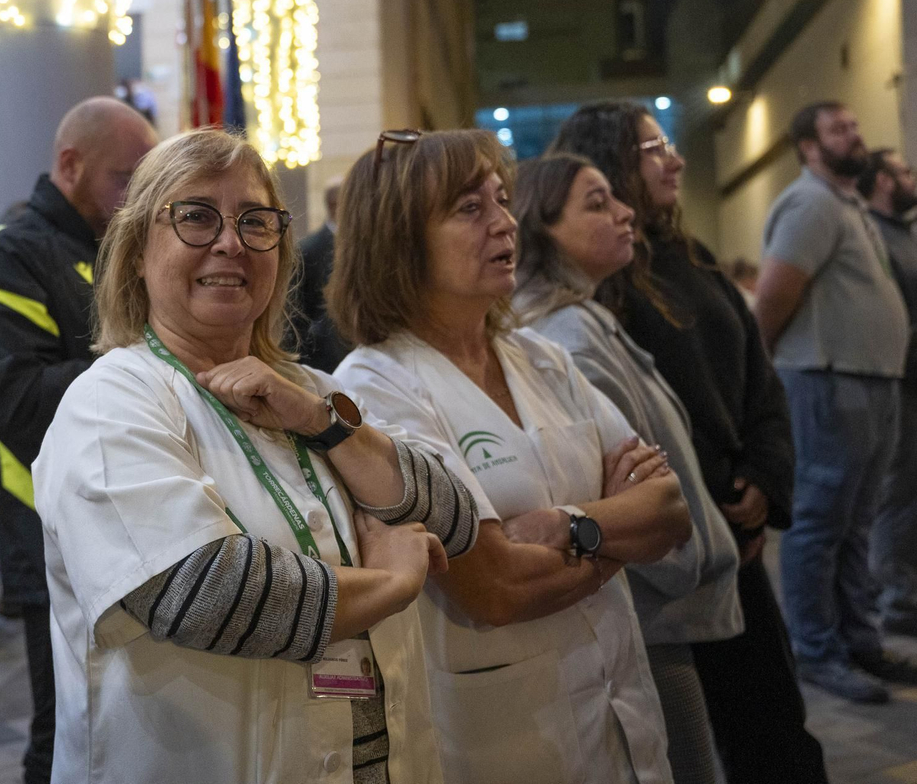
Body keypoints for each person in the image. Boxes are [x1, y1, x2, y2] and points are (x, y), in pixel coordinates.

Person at [32, 127, 480, 784]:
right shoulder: (110, 401)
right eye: (195, 217)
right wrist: (392, 582)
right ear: (134, 252)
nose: (231, 242)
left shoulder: (320, 393)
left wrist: (327, 428)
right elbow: (203, 592)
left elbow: (456, 523)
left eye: (255, 221)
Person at [330, 128, 687, 784]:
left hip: (620, 711)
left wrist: (564, 526)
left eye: (501, 200)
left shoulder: (542, 358)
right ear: (399, 238)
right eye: (471, 209)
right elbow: (494, 587)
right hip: (506, 737)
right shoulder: (373, 386)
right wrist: (612, 531)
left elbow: (669, 511)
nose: (505, 223)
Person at [552, 100, 827, 783]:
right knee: (687, 744)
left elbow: (757, 378)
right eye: (652, 149)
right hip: (675, 545)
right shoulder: (598, 287)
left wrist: (764, 477)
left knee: (772, 723)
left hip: (736, 520)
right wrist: (706, 504)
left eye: (668, 145)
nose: (673, 159)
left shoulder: (691, 256)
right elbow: (636, 428)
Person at [513, 153, 742, 784]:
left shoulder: (586, 318)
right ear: (542, 229)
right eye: (595, 203)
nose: (624, 213)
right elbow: (625, 488)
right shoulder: (569, 336)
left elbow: (654, 474)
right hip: (650, 605)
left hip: (664, 593)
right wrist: (652, 535)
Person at [0, 96, 157, 784]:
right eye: (125, 180)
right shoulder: (2, 254)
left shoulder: (114, 249)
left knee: (135, 715)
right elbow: (14, 399)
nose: (136, 201)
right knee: (68, 725)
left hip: (137, 516)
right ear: (70, 164)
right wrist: (153, 363)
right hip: (49, 525)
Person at [752, 101, 917, 701]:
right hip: (827, 381)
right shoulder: (810, 203)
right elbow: (773, 297)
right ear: (809, 147)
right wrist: (762, 376)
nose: (855, 134)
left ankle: (860, 641)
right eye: (837, 129)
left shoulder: (848, 204)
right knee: (821, 524)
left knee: (859, 524)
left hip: (872, 382)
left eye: (854, 123)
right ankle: (817, 650)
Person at [858, 148, 917, 635]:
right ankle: (896, 601)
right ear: (881, 180)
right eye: (903, 171)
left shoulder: (902, 232)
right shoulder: (873, 233)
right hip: (897, 382)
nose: (912, 177)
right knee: (897, 495)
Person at [291, 173, 353, 371]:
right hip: (323, 360)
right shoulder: (307, 250)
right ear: (336, 205)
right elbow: (296, 312)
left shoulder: (360, 245)